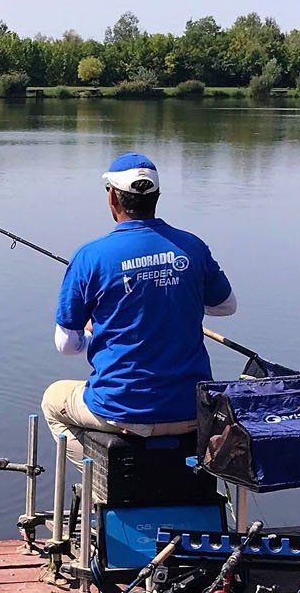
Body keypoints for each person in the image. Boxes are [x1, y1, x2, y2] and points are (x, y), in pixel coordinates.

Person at [42, 152, 236, 441]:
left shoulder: (91, 256)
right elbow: (226, 306)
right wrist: (180, 298)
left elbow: (67, 345)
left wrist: (93, 334)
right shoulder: (193, 247)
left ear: (112, 198)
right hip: (192, 409)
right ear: (157, 195)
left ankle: (100, 484)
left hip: (122, 409)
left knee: (53, 401)